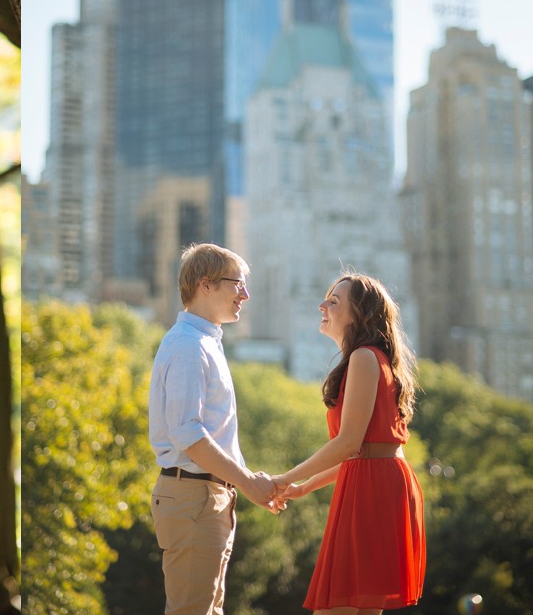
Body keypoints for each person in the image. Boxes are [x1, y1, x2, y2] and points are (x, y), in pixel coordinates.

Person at [273, 272, 425, 613]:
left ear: (361, 314)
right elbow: (359, 452)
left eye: (334, 301)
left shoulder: (364, 357)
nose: (322, 305)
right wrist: (303, 487)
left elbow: (349, 445)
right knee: (359, 608)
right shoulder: (372, 358)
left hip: (373, 487)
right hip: (375, 480)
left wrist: (284, 478)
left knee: (337, 607)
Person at [148, 242, 280, 615]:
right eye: (236, 283)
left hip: (206, 497)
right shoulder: (189, 345)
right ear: (205, 284)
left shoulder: (204, 341)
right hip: (193, 497)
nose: (245, 294)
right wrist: (249, 482)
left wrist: (244, 480)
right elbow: (188, 433)